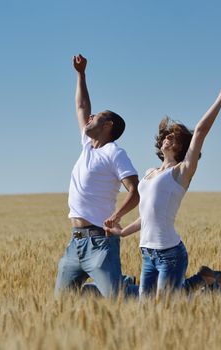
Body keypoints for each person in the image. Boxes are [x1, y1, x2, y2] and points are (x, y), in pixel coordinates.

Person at [105, 88, 221, 298]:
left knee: (167, 305)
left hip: (170, 253)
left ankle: (215, 288)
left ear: (182, 146)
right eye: (166, 136)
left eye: (174, 138)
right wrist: (122, 231)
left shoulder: (181, 172)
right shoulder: (149, 173)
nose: (168, 139)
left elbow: (200, 131)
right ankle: (204, 279)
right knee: (148, 305)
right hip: (147, 253)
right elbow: (147, 215)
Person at [54, 54, 140, 298]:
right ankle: (122, 282)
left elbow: (135, 192)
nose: (90, 118)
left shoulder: (115, 153)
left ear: (108, 125)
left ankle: (165, 290)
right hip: (76, 241)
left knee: (116, 300)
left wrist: (116, 216)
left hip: (100, 242)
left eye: (97, 117)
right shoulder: (87, 145)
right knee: (63, 301)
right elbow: (82, 107)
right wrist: (81, 74)